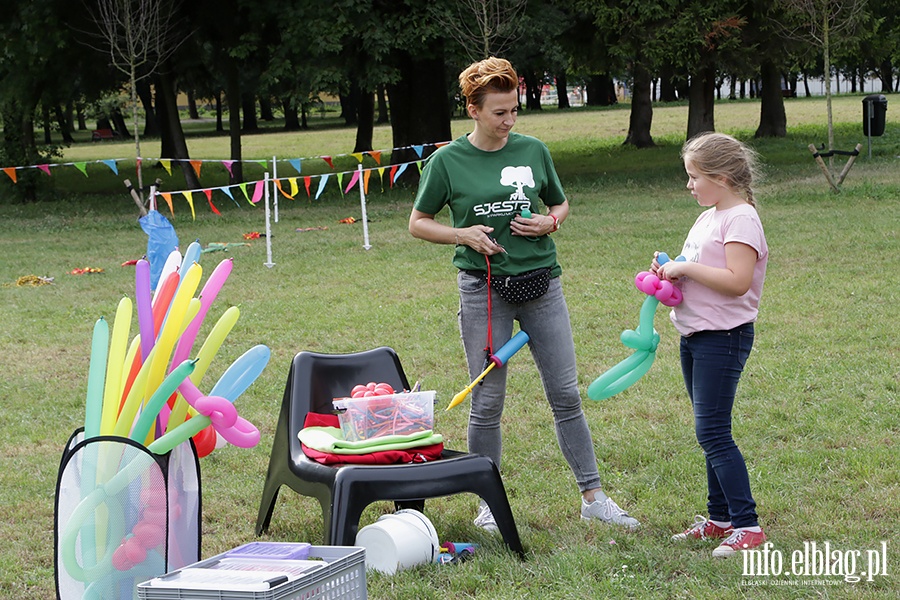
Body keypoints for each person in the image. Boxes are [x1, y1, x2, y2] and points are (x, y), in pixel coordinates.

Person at [409, 56, 639, 531]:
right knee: (487, 402)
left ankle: (593, 496)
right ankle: (487, 504)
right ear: (473, 109)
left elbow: (559, 201)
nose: (509, 120)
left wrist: (550, 221)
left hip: (543, 287)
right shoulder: (447, 161)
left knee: (565, 396)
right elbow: (418, 223)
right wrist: (464, 235)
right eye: (499, 112)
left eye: (514, 109)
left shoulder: (533, 150)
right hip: (484, 291)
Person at [651, 132, 769, 558]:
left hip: (724, 337)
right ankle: (720, 520)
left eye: (693, 177)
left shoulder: (740, 219)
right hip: (697, 335)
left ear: (720, 177)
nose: (689, 185)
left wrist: (686, 267)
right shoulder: (710, 215)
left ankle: (748, 527)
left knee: (713, 432)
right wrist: (672, 270)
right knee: (710, 432)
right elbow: (704, 267)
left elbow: (737, 282)